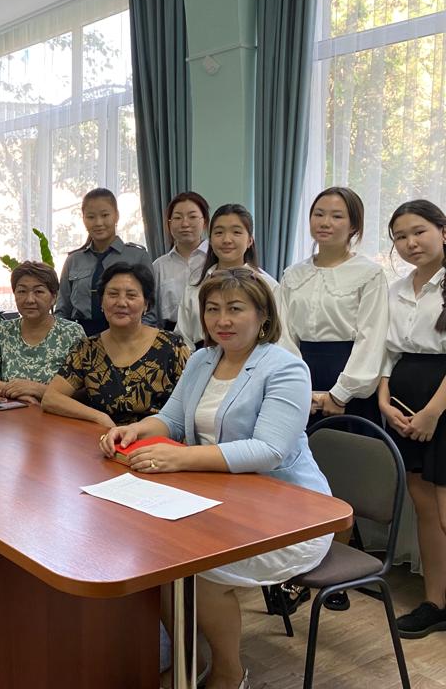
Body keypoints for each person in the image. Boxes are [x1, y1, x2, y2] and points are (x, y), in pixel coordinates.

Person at [101, 269, 331, 689]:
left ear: (263, 315)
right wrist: (135, 430)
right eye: (212, 309)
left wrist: (182, 457)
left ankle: (229, 673)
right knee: (159, 558)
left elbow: (269, 450)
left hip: (291, 516)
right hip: (219, 501)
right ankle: (190, 659)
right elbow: (171, 419)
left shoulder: (286, 368)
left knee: (199, 572)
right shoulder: (203, 359)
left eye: (235, 309)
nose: (222, 320)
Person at [378, 200, 446, 639]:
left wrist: (433, 413)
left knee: (445, 510)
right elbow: (388, 351)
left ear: (443, 231)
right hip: (404, 398)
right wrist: (384, 399)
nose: (410, 243)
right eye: (400, 237)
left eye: (419, 231)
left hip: (439, 402)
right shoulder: (398, 288)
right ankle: (435, 602)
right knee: (424, 507)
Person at [278, 187, 388, 426]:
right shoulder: (293, 274)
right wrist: (296, 384)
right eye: (318, 214)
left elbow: (372, 338)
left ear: (354, 226)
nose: (325, 222)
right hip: (300, 373)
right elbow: (283, 334)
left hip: (349, 374)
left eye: (337, 216)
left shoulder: (369, 274)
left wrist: (341, 393)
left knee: (348, 446)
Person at [43, 262, 189, 426]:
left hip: (157, 438)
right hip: (103, 436)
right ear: (101, 302)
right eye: (113, 294)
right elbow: (51, 398)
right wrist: (99, 417)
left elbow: (192, 404)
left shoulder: (172, 346)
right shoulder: (87, 349)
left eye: (131, 296)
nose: (121, 303)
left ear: (146, 304)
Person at [0, 261, 84, 404]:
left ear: (54, 297)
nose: (29, 300)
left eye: (39, 292)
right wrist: (14, 391)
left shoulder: (71, 333)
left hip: (55, 415)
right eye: (22, 291)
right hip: (11, 414)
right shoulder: (5, 330)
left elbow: (85, 392)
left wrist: (36, 389)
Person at [56, 187, 157, 336]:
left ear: (116, 216)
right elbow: (62, 311)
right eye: (91, 217)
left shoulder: (138, 256)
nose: (98, 223)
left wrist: (137, 340)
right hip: (80, 338)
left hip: (126, 336)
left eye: (105, 215)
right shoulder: (73, 260)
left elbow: (150, 312)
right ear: (83, 219)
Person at [176, 204, 278, 349]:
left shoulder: (267, 285)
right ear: (210, 240)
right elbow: (183, 338)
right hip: (201, 358)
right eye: (219, 233)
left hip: (253, 359)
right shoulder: (196, 284)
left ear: (250, 240)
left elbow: (279, 338)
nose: (226, 240)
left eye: (236, 232)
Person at [153, 192, 210, 331]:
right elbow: (152, 313)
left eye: (192, 217)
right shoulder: (159, 267)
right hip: (170, 335)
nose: (185, 224)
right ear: (169, 223)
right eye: (177, 217)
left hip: (212, 333)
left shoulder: (216, 259)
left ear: (204, 222)